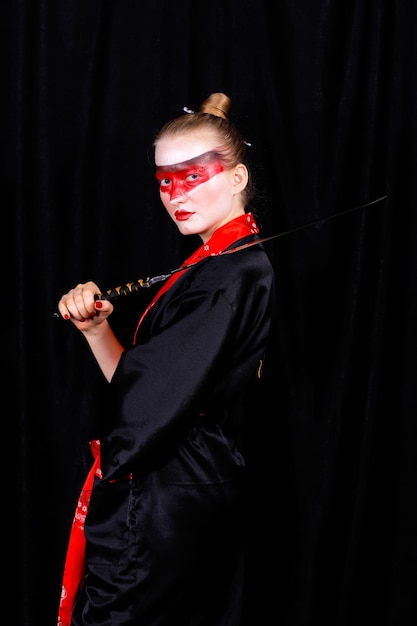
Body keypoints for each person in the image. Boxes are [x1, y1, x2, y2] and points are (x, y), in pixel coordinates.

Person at [56, 92, 276, 626]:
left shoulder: (233, 273)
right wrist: (96, 328)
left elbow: (144, 412)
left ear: (239, 178)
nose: (175, 194)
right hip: (184, 480)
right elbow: (140, 387)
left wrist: (114, 474)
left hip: (167, 493)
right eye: (164, 180)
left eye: (194, 176)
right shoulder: (213, 265)